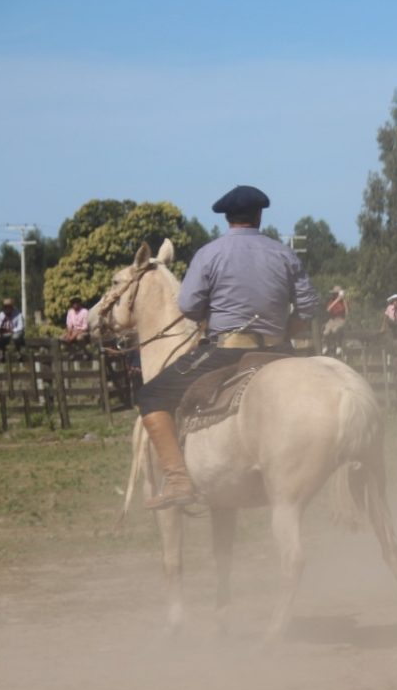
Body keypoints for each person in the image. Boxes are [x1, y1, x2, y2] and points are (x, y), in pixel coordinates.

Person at [134, 185, 318, 510]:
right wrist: (285, 332)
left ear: (227, 218)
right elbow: (307, 310)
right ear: (260, 216)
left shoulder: (209, 254)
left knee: (150, 395)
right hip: (278, 354)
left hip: (228, 352)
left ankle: (177, 479)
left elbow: (188, 307)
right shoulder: (285, 254)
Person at [322, 285, 349, 355]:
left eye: (337, 293)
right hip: (332, 319)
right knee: (326, 331)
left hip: (340, 319)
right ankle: (325, 346)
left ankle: (338, 346)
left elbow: (346, 312)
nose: (335, 295)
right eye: (334, 293)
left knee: (335, 330)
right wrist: (337, 300)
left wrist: (343, 300)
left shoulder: (344, 301)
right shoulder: (332, 301)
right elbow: (328, 309)